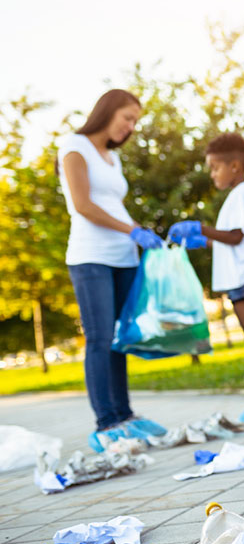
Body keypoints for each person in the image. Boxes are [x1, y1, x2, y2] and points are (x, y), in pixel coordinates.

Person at [56, 89, 167, 452]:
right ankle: (106, 423)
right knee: (100, 338)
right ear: (108, 111)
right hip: (91, 257)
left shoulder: (111, 158)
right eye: (127, 117)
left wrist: (139, 231)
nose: (130, 127)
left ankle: (125, 415)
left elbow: (112, 206)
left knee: (120, 339)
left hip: (125, 257)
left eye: (135, 121)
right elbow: (84, 205)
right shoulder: (75, 146)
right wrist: (131, 230)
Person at [168, 133, 244, 425]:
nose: (212, 174)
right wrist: (201, 241)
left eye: (214, 168)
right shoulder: (235, 197)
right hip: (238, 276)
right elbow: (228, 240)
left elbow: (236, 237)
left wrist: (201, 228)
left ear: (234, 166)